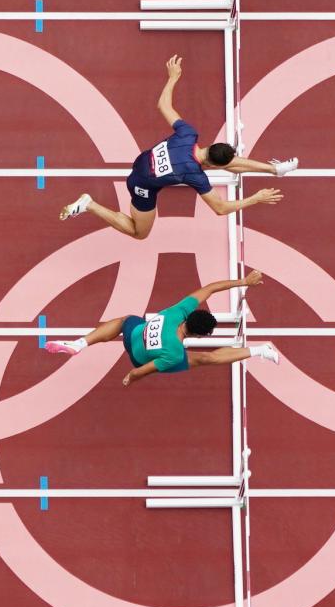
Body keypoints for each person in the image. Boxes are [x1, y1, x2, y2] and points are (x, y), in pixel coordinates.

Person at [58, 54, 295, 239]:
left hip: (144, 160)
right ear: (213, 164)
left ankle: (275, 170)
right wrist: (255, 198)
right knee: (138, 233)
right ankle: (89, 204)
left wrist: (172, 78)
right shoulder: (195, 175)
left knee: (214, 166)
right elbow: (220, 209)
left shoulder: (188, 134)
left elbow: (163, 105)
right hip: (142, 184)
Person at [44, 270, 278, 385]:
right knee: (205, 359)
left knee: (125, 320)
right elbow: (140, 371)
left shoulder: (177, 312)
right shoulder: (176, 352)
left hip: (133, 334)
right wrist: (129, 378)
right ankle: (259, 351)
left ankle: (80, 343)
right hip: (139, 357)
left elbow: (210, 288)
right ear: (198, 335)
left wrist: (244, 282)